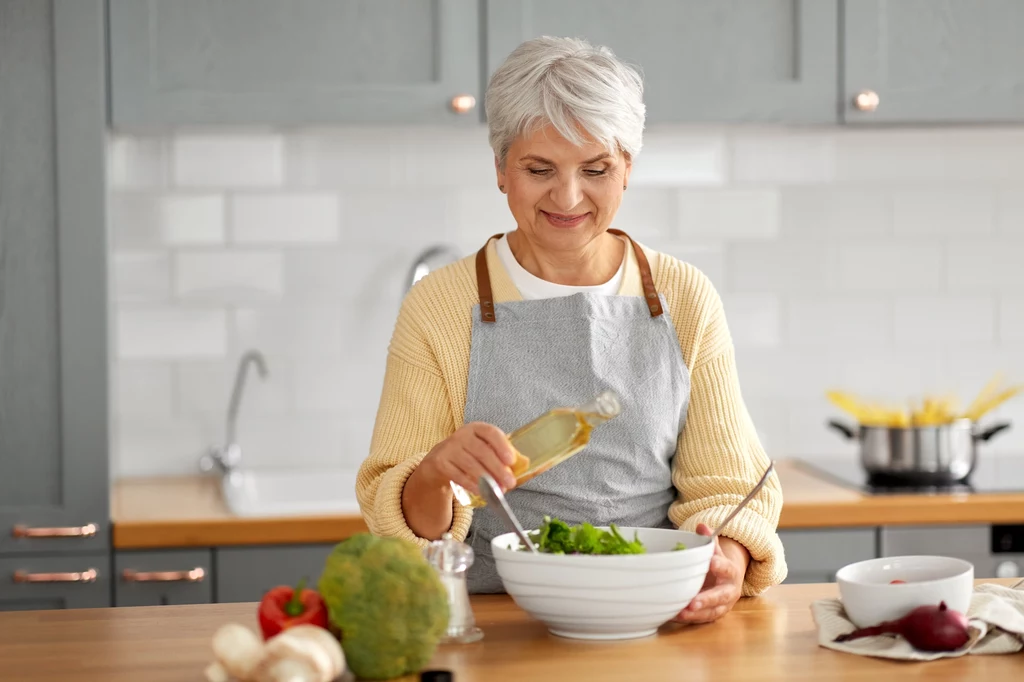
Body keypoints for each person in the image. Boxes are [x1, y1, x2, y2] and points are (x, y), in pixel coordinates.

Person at [355, 35, 787, 623]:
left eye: (596, 168)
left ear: (627, 169)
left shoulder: (685, 297)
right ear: (501, 169)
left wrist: (729, 559)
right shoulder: (439, 307)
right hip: (497, 622)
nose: (568, 195)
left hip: (654, 615)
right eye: (539, 169)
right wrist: (433, 472)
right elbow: (406, 520)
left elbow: (729, 485)